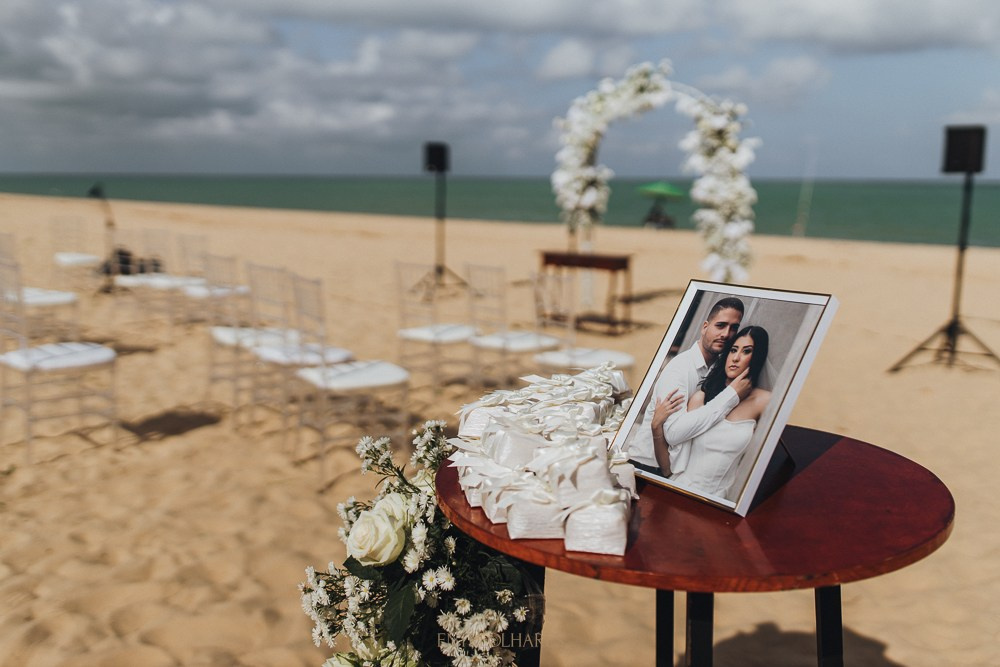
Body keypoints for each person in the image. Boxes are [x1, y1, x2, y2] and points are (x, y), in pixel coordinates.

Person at [627, 296, 748, 472]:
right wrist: (730, 396)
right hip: (648, 466)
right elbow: (674, 434)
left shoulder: (720, 369)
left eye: (734, 328)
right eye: (721, 325)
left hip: (680, 470)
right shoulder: (679, 369)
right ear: (705, 327)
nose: (726, 334)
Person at [664, 326, 772, 499]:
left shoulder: (763, 401)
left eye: (746, 351)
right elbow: (675, 442)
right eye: (733, 350)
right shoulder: (701, 398)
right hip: (681, 487)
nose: (735, 358)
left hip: (722, 498)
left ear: (757, 357)